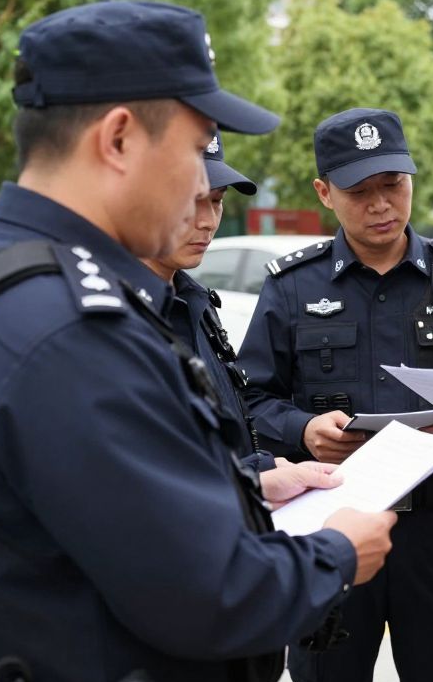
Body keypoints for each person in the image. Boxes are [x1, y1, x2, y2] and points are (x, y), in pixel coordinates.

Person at [0, 0, 396, 682]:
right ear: (120, 139)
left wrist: (249, 484)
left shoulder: (2, 280)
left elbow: (92, 507)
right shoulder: (71, 331)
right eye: (198, 148)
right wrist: (339, 553)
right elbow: (211, 595)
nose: (203, 186)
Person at [238, 107, 433, 682]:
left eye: (393, 184)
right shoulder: (292, 287)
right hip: (332, 523)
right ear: (324, 193)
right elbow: (249, 401)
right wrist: (303, 430)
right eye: (360, 191)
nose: (381, 204)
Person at [143, 133, 341, 504]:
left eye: (216, 201)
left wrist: (262, 470)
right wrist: (256, 478)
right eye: (192, 200)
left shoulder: (196, 303)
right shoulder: (118, 315)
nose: (207, 221)